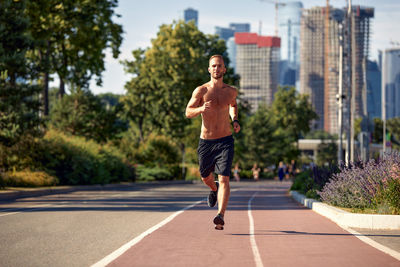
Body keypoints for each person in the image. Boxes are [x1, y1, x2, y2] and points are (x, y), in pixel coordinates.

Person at [185, 55, 241, 230]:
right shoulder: (201, 91)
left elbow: (233, 105)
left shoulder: (231, 91)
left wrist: (235, 120)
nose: (217, 69)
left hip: (225, 140)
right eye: (214, 66)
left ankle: (220, 215)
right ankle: (213, 188)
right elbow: (188, 112)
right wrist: (201, 108)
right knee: (205, 177)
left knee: (224, 178)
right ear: (209, 69)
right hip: (206, 142)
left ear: (224, 69)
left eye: (220, 66)